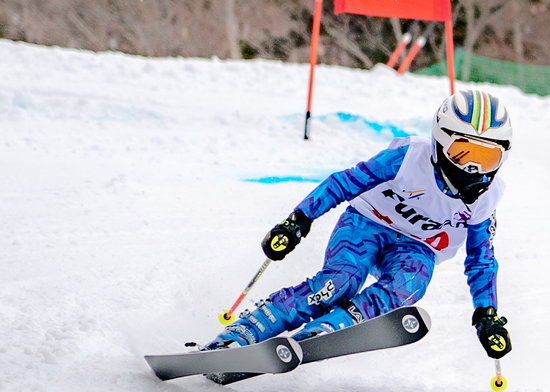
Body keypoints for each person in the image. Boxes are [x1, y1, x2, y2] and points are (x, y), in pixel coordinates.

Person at [208, 89, 513, 360]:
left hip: (418, 246)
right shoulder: (408, 158)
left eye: (487, 158)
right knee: (338, 283)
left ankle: (330, 329)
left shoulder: (486, 198)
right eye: (465, 153)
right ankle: (244, 332)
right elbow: (345, 182)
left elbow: (481, 259)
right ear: (441, 141)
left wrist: (486, 313)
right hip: (367, 223)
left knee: (408, 286)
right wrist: (298, 221)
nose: (474, 169)